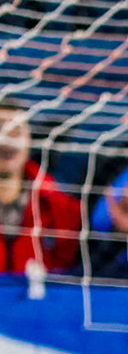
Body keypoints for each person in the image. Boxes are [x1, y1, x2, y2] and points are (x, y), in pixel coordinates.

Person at [0, 98, 80, 276]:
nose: (6, 141)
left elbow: (85, 270)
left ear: (29, 140)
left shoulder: (64, 210)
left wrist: (119, 233)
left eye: (15, 131)